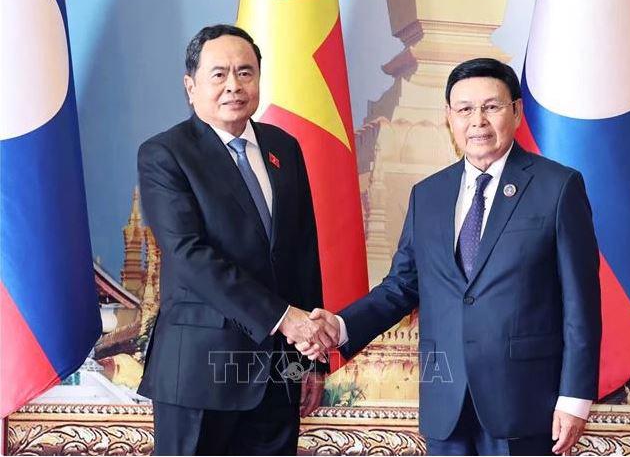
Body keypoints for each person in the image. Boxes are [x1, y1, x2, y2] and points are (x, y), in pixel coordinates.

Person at [298, 58, 601, 456]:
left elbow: (581, 303)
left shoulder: (558, 188)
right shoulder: (429, 196)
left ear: (516, 111)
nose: (478, 121)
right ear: (449, 118)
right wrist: (340, 326)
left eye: (491, 107)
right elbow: (401, 286)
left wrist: (574, 397)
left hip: (526, 402)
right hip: (447, 404)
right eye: (465, 109)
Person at [137, 24, 339, 455]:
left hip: (276, 375)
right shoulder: (165, 154)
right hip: (198, 373)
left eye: (246, 72)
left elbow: (302, 254)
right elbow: (189, 255)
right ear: (190, 86)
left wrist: (308, 360)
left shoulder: (284, 146)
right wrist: (284, 318)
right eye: (219, 74)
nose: (234, 85)